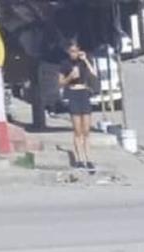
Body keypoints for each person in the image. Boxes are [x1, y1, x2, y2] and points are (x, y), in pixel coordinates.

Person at [59, 40, 98, 171]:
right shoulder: (64, 64)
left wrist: (85, 59)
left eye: (75, 51)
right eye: (71, 52)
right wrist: (70, 76)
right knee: (77, 130)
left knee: (86, 130)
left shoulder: (83, 62)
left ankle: (89, 159)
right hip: (73, 93)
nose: (73, 54)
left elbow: (94, 74)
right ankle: (79, 159)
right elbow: (61, 83)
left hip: (84, 93)